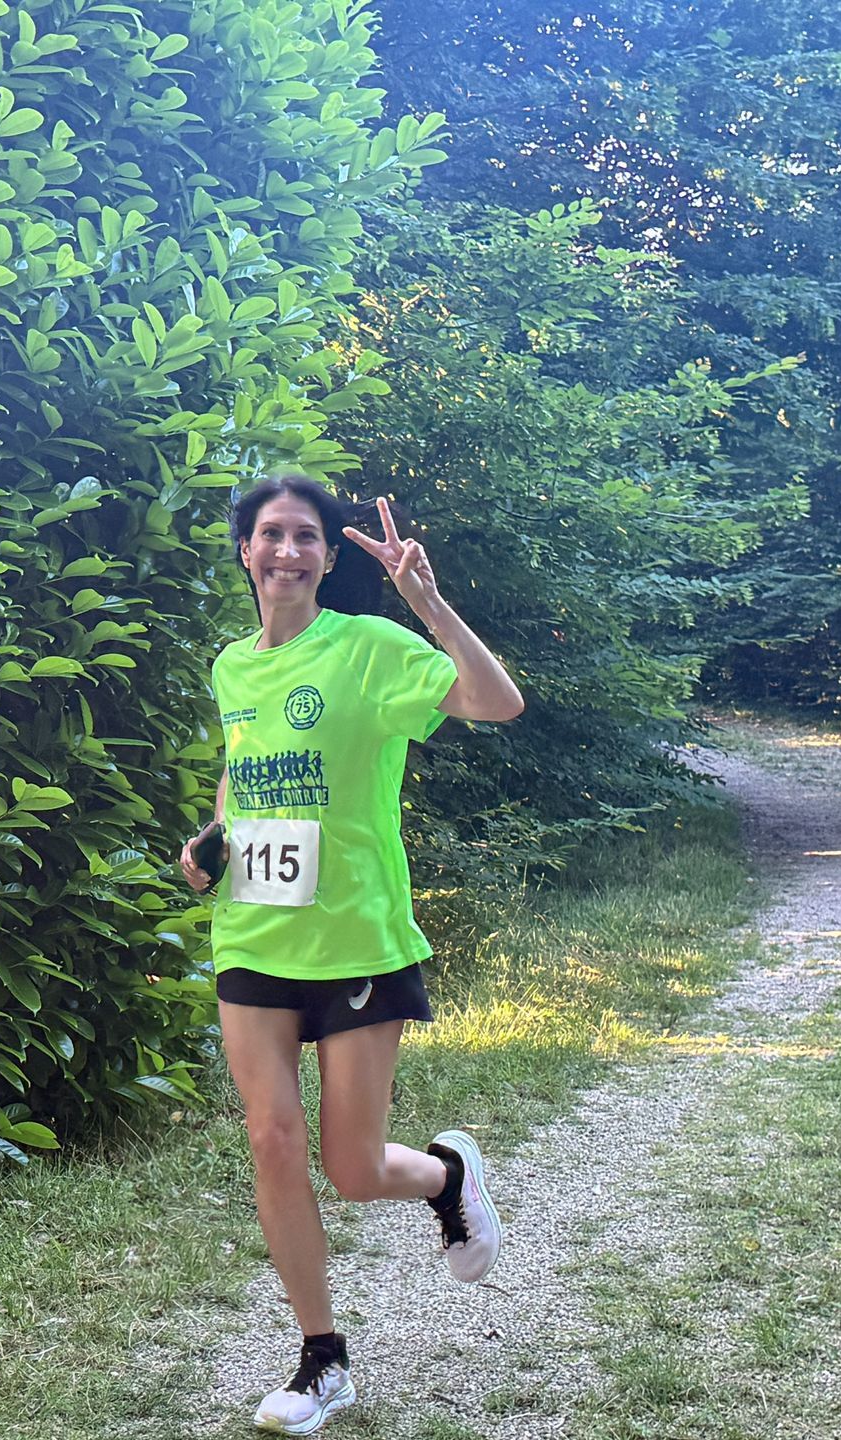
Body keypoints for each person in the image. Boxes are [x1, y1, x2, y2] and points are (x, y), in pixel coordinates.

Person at [178, 473, 526, 1435]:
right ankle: (321, 1358)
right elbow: (241, 774)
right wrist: (209, 842)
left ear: (330, 558)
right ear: (245, 551)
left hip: (357, 939)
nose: (287, 551)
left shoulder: (369, 646)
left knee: (355, 1168)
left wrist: (427, 602)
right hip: (254, 933)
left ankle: (447, 1178)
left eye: (306, 537)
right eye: (271, 534)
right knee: (271, 1137)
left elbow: (497, 702)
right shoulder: (231, 666)